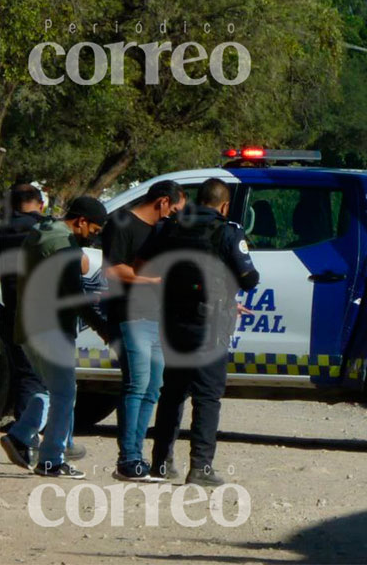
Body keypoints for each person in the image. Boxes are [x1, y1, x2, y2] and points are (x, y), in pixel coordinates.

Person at [147, 178, 259, 486]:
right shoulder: (227, 232)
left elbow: (149, 265)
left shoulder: (170, 228)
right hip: (209, 325)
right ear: (224, 205)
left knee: (172, 393)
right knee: (207, 396)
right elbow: (249, 279)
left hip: (172, 322)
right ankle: (200, 468)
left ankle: (160, 463)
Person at [0, 197, 108, 478]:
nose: (94, 236)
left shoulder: (40, 232)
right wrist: (103, 328)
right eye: (94, 229)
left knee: (48, 388)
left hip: (26, 327)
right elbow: (75, 297)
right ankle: (51, 460)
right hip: (52, 330)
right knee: (65, 395)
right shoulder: (64, 245)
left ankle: (20, 435)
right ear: (81, 221)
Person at [102, 180, 185, 481]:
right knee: (136, 385)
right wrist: (151, 281)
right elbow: (112, 269)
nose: (173, 216)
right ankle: (128, 459)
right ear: (163, 201)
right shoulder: (122, 223)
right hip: (130, 316)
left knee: (153, 388)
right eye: (174, 209)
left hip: (156, 318)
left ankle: (136, 455)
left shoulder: (161, 232)